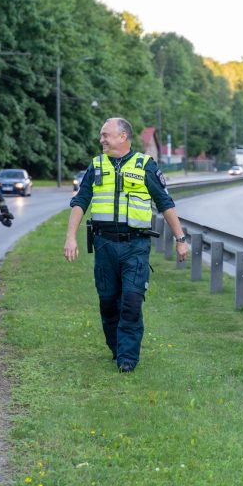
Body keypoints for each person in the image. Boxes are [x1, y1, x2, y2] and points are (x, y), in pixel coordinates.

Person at [63, 117, 188, 373]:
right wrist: (70, 236)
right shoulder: (96, 166)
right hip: (104, 244)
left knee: (131, 302)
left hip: (135, 246)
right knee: (108, 303)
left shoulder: (145, 165)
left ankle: (127, 359)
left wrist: (181, 239)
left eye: (105, 135)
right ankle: (116, 348)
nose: (101, 140)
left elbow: (165, 203)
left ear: (122, 136)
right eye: (101, 135)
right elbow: (80, 201)